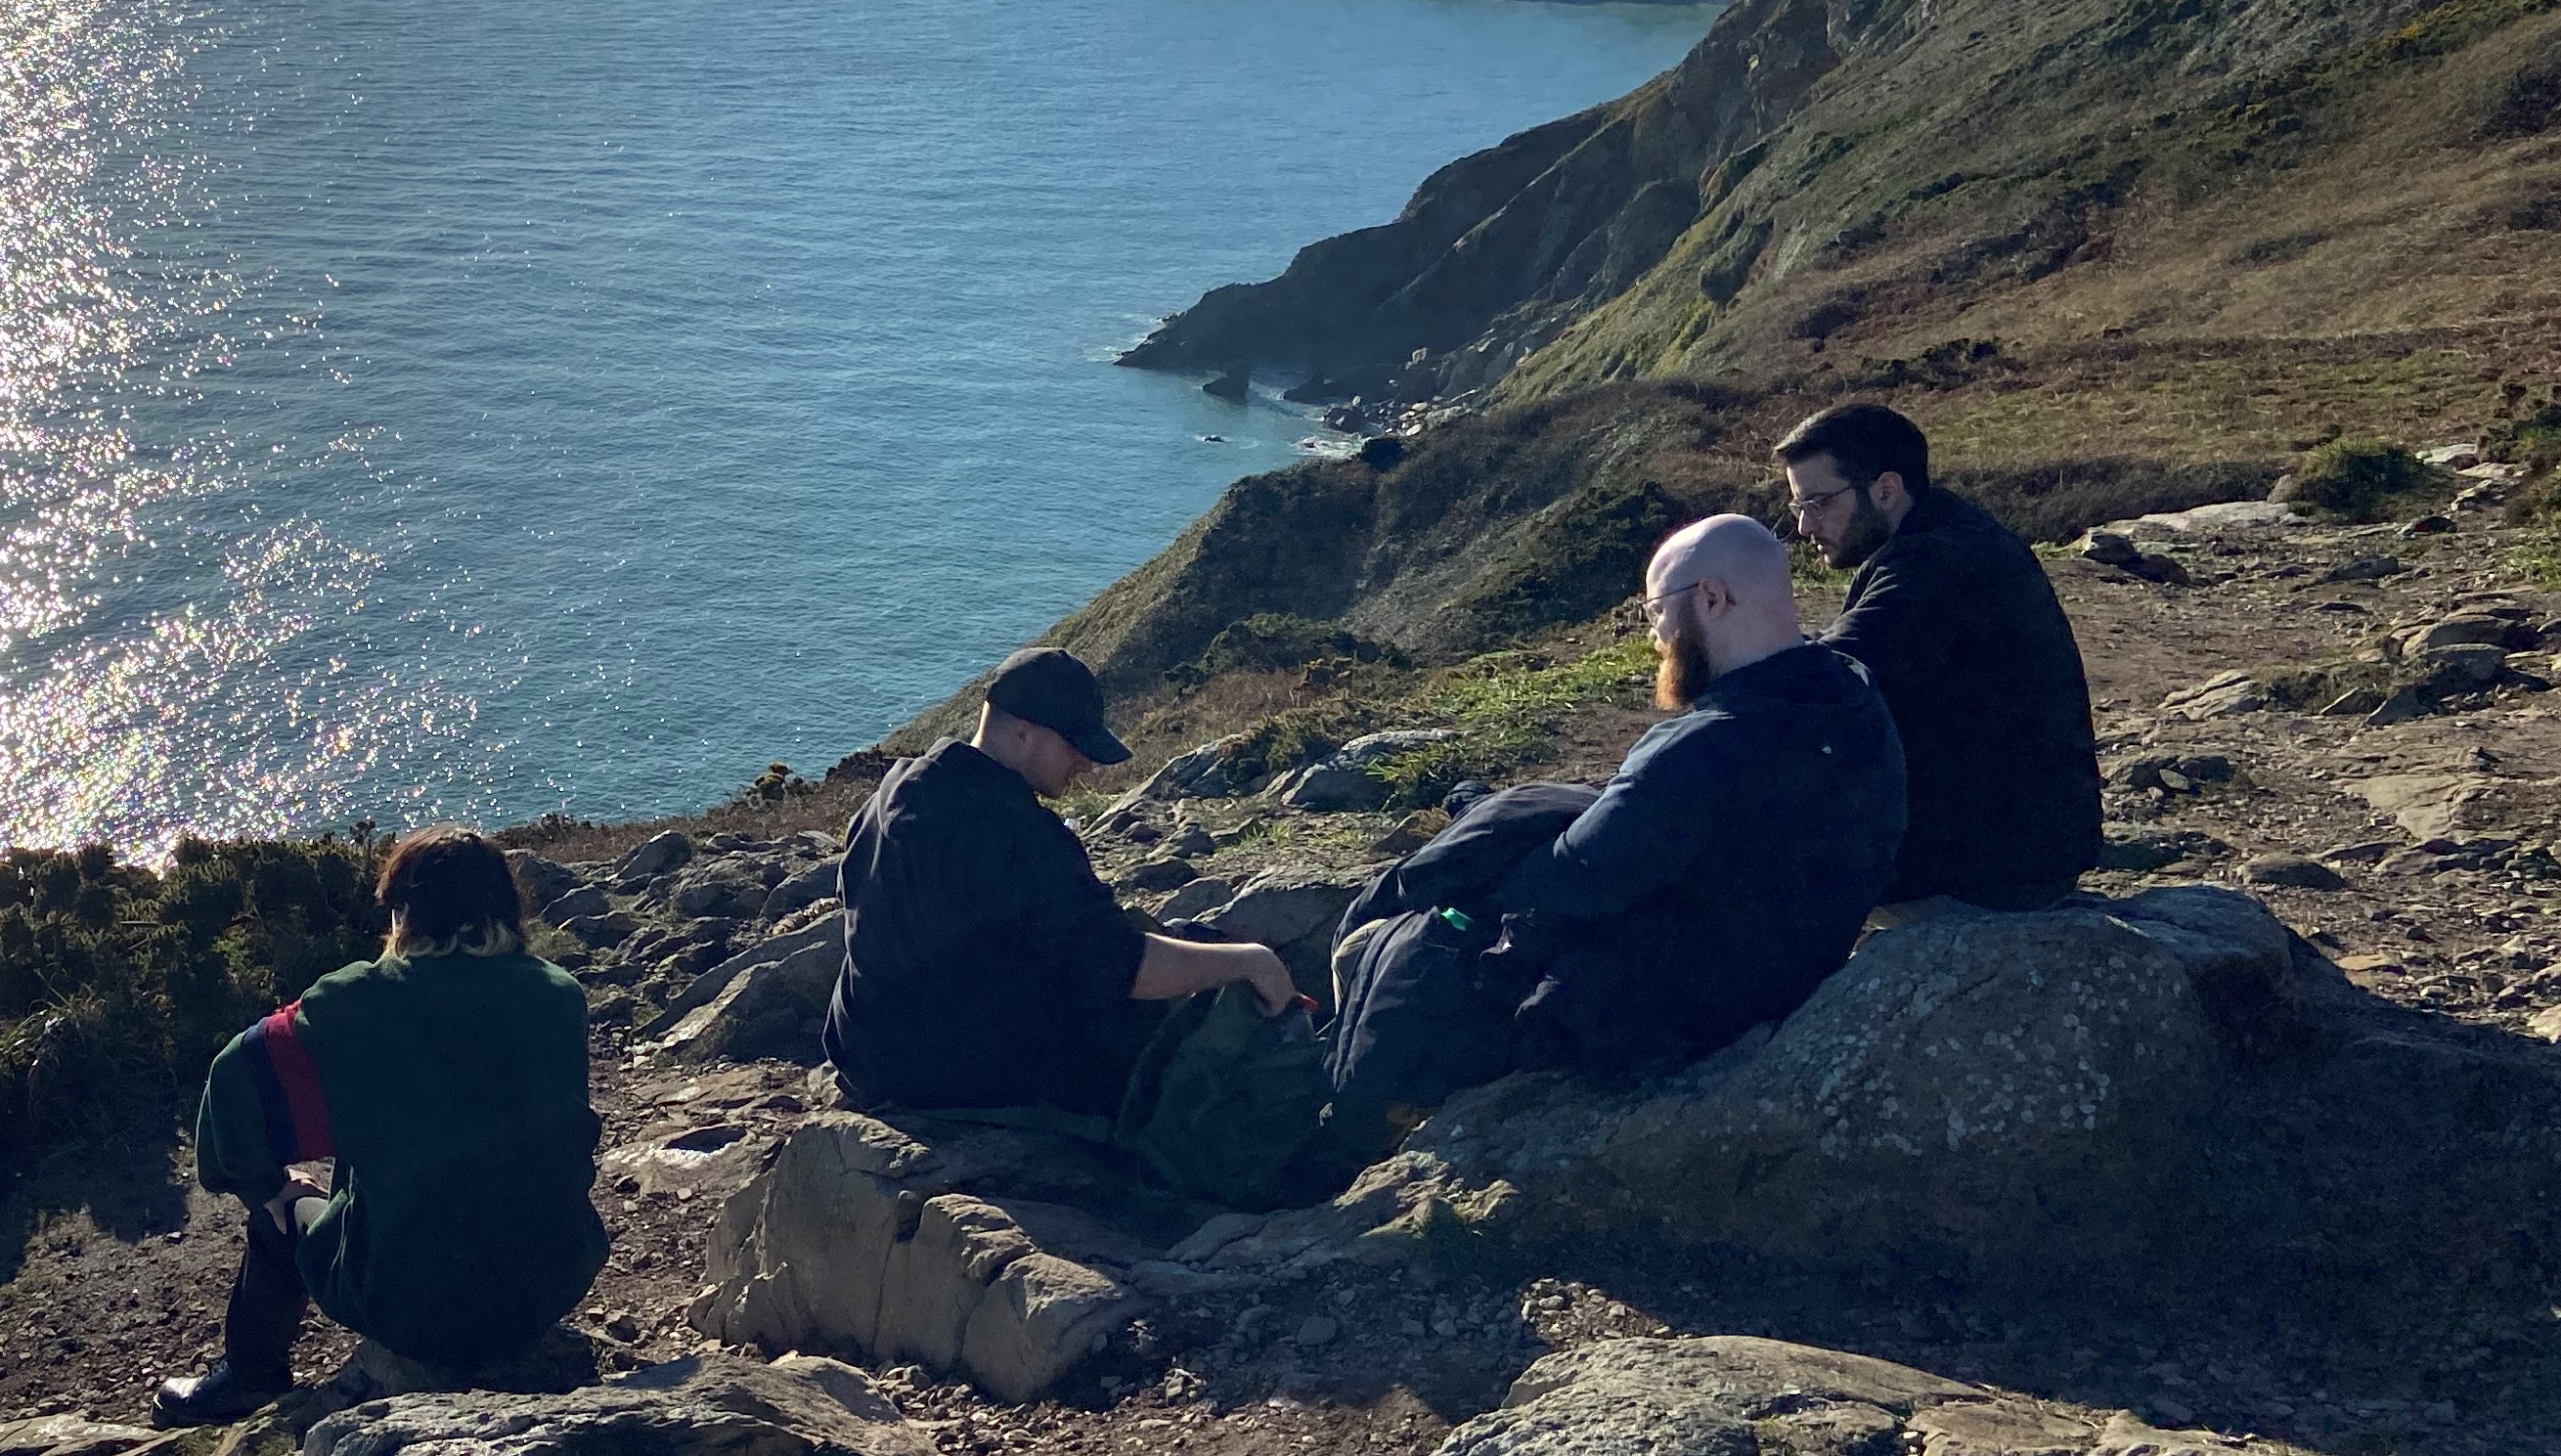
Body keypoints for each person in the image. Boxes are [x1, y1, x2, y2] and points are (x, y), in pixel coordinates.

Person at [1329, 515, 1908, 1106]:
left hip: (1670, 1017)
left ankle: (1349, 1110)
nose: (1655, 635)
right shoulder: (1852, 689)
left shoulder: (1706, 744)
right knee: (1534, 811)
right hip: (1789, 963)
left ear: (1711, 598)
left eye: (1656, 612)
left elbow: (1566, 882)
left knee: (1416, 927)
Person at [155, 829, 608, 1426]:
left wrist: (268, 1187)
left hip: (409, 1303)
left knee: (282, 1214)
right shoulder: (558, 995)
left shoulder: (352, 1003)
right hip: (549, 1280)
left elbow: (230, 1097)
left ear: (404, 913)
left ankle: (250, 1378)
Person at [825, 646, 1294, 1122]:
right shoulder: (1021, 835)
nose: (1086, 764)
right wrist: (1253, 963)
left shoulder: (890, 795)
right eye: (1075, 745)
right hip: (962, 1079)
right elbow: (1118, 967)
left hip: (866, 1055)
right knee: (1182, 1024)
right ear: (1023, 733)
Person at [1774, 402, 2103, 908]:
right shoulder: (1952, 534)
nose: (1804, 526)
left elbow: (1827, 678)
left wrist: (1727, 648)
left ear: (1886, 490)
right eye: (1798, 506)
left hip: (1989, 869)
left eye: (1817, 503)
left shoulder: (1934, 563)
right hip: (2018, 844)